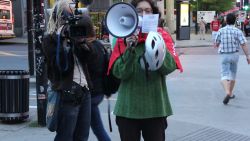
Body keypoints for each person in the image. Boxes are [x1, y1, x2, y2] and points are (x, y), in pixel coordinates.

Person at [107, 0, 183, 141]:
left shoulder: (162, 36)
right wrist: (130, 49)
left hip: (155, 108)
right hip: (127, 109)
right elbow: (119, 73)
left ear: (154, 14)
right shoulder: (122, 38)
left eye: (148, 11)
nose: (143, 14)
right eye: (139, 11)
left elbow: (168, 67)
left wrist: (157, 43)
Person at [43, 0, 96, 140]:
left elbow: (90, 58)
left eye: (71, 15)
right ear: (58, 17)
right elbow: (57, 66)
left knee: (82, 136)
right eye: (65, 15)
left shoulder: (77, 34)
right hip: (66, 93)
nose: (68, 20)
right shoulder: (49, 39)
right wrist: (61, 38)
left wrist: (81, 43)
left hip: (85, 91)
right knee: (65, 136)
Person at [215, 13, 250, 105]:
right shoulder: (238, 31)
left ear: (226, 21)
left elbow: (217, 43)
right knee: (233, 74)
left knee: (224, 75)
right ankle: (230, 93)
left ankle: (227, 92)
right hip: (235, 55)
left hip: (224, 55)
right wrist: (248, 56)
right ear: (235, 21)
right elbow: (243, 44)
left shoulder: (221, 30)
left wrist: (219, 44)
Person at [87, 32, 111, 141]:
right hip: (99, 91)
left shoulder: (90, 48)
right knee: (97, 127)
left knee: (95, 128)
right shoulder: (99, 45)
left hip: (91, 92)